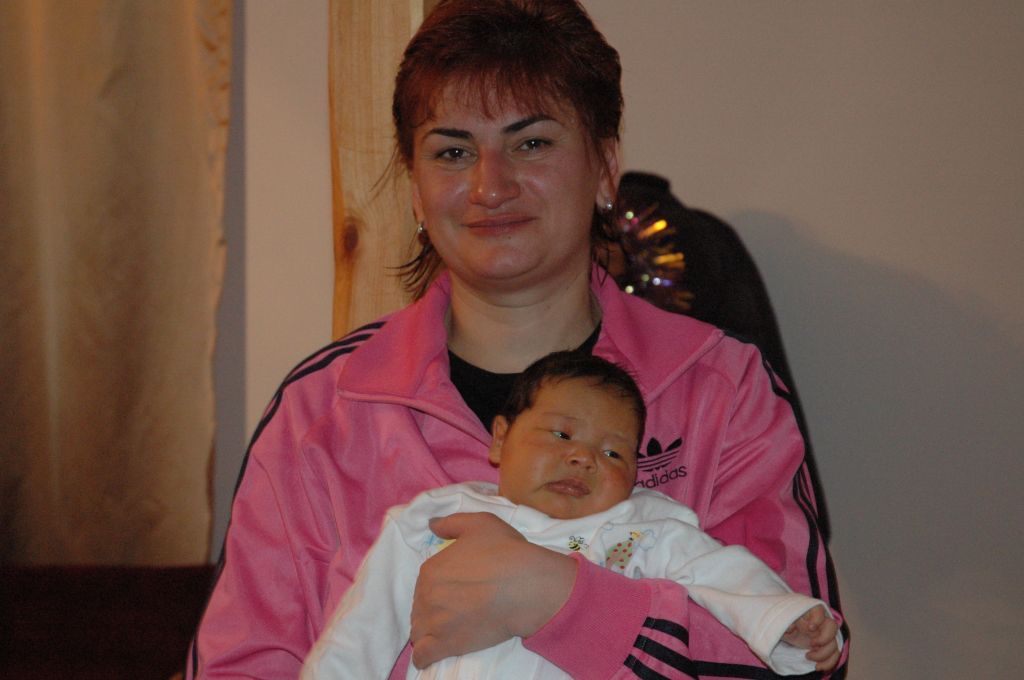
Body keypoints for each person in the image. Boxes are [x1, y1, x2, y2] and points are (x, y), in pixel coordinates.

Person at [188, 1, 848, 678]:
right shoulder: (323, 411)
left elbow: (799, 657)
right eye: (452, 152)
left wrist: (564, 604)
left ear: (605, 168)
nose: (490, 185)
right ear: (415, 192)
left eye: (531, 143)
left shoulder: (723, 389)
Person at [301, 352, 841, 678]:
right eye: (561, 434)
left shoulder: (645, 526)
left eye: (613, 453)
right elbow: (362, 633)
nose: (584, 457)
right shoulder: (438, 519)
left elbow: (721, 573)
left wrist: (782, 620)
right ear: (500, 438)